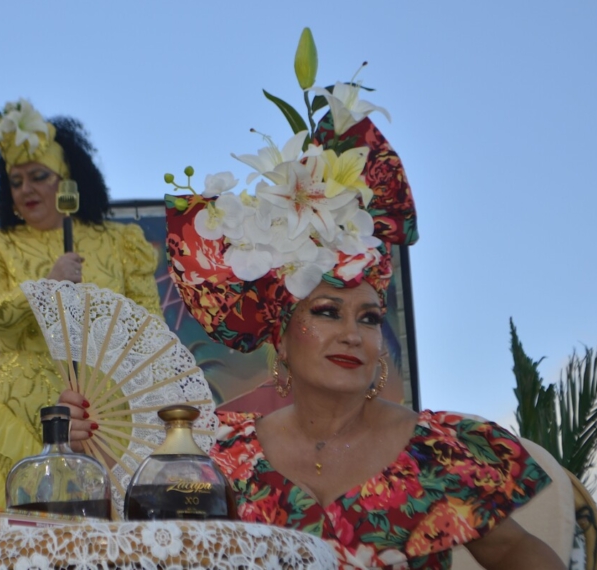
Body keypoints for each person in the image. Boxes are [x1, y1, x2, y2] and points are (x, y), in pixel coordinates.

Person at [65, 101, 565, 566]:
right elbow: (148, 551)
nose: (353, 334)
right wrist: (85, 458)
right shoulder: (221, 459)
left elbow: (522, 556)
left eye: (369, 318)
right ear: (279, 338)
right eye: (328, 312)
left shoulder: (438, 451)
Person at [0, 99, 162, 508]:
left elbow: (150, 329)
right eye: (15, 181)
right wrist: (47, 286)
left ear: (69, 178)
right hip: (19, 415)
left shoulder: (120, 242)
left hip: (103, 419)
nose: (26, 189)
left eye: (38, 176)